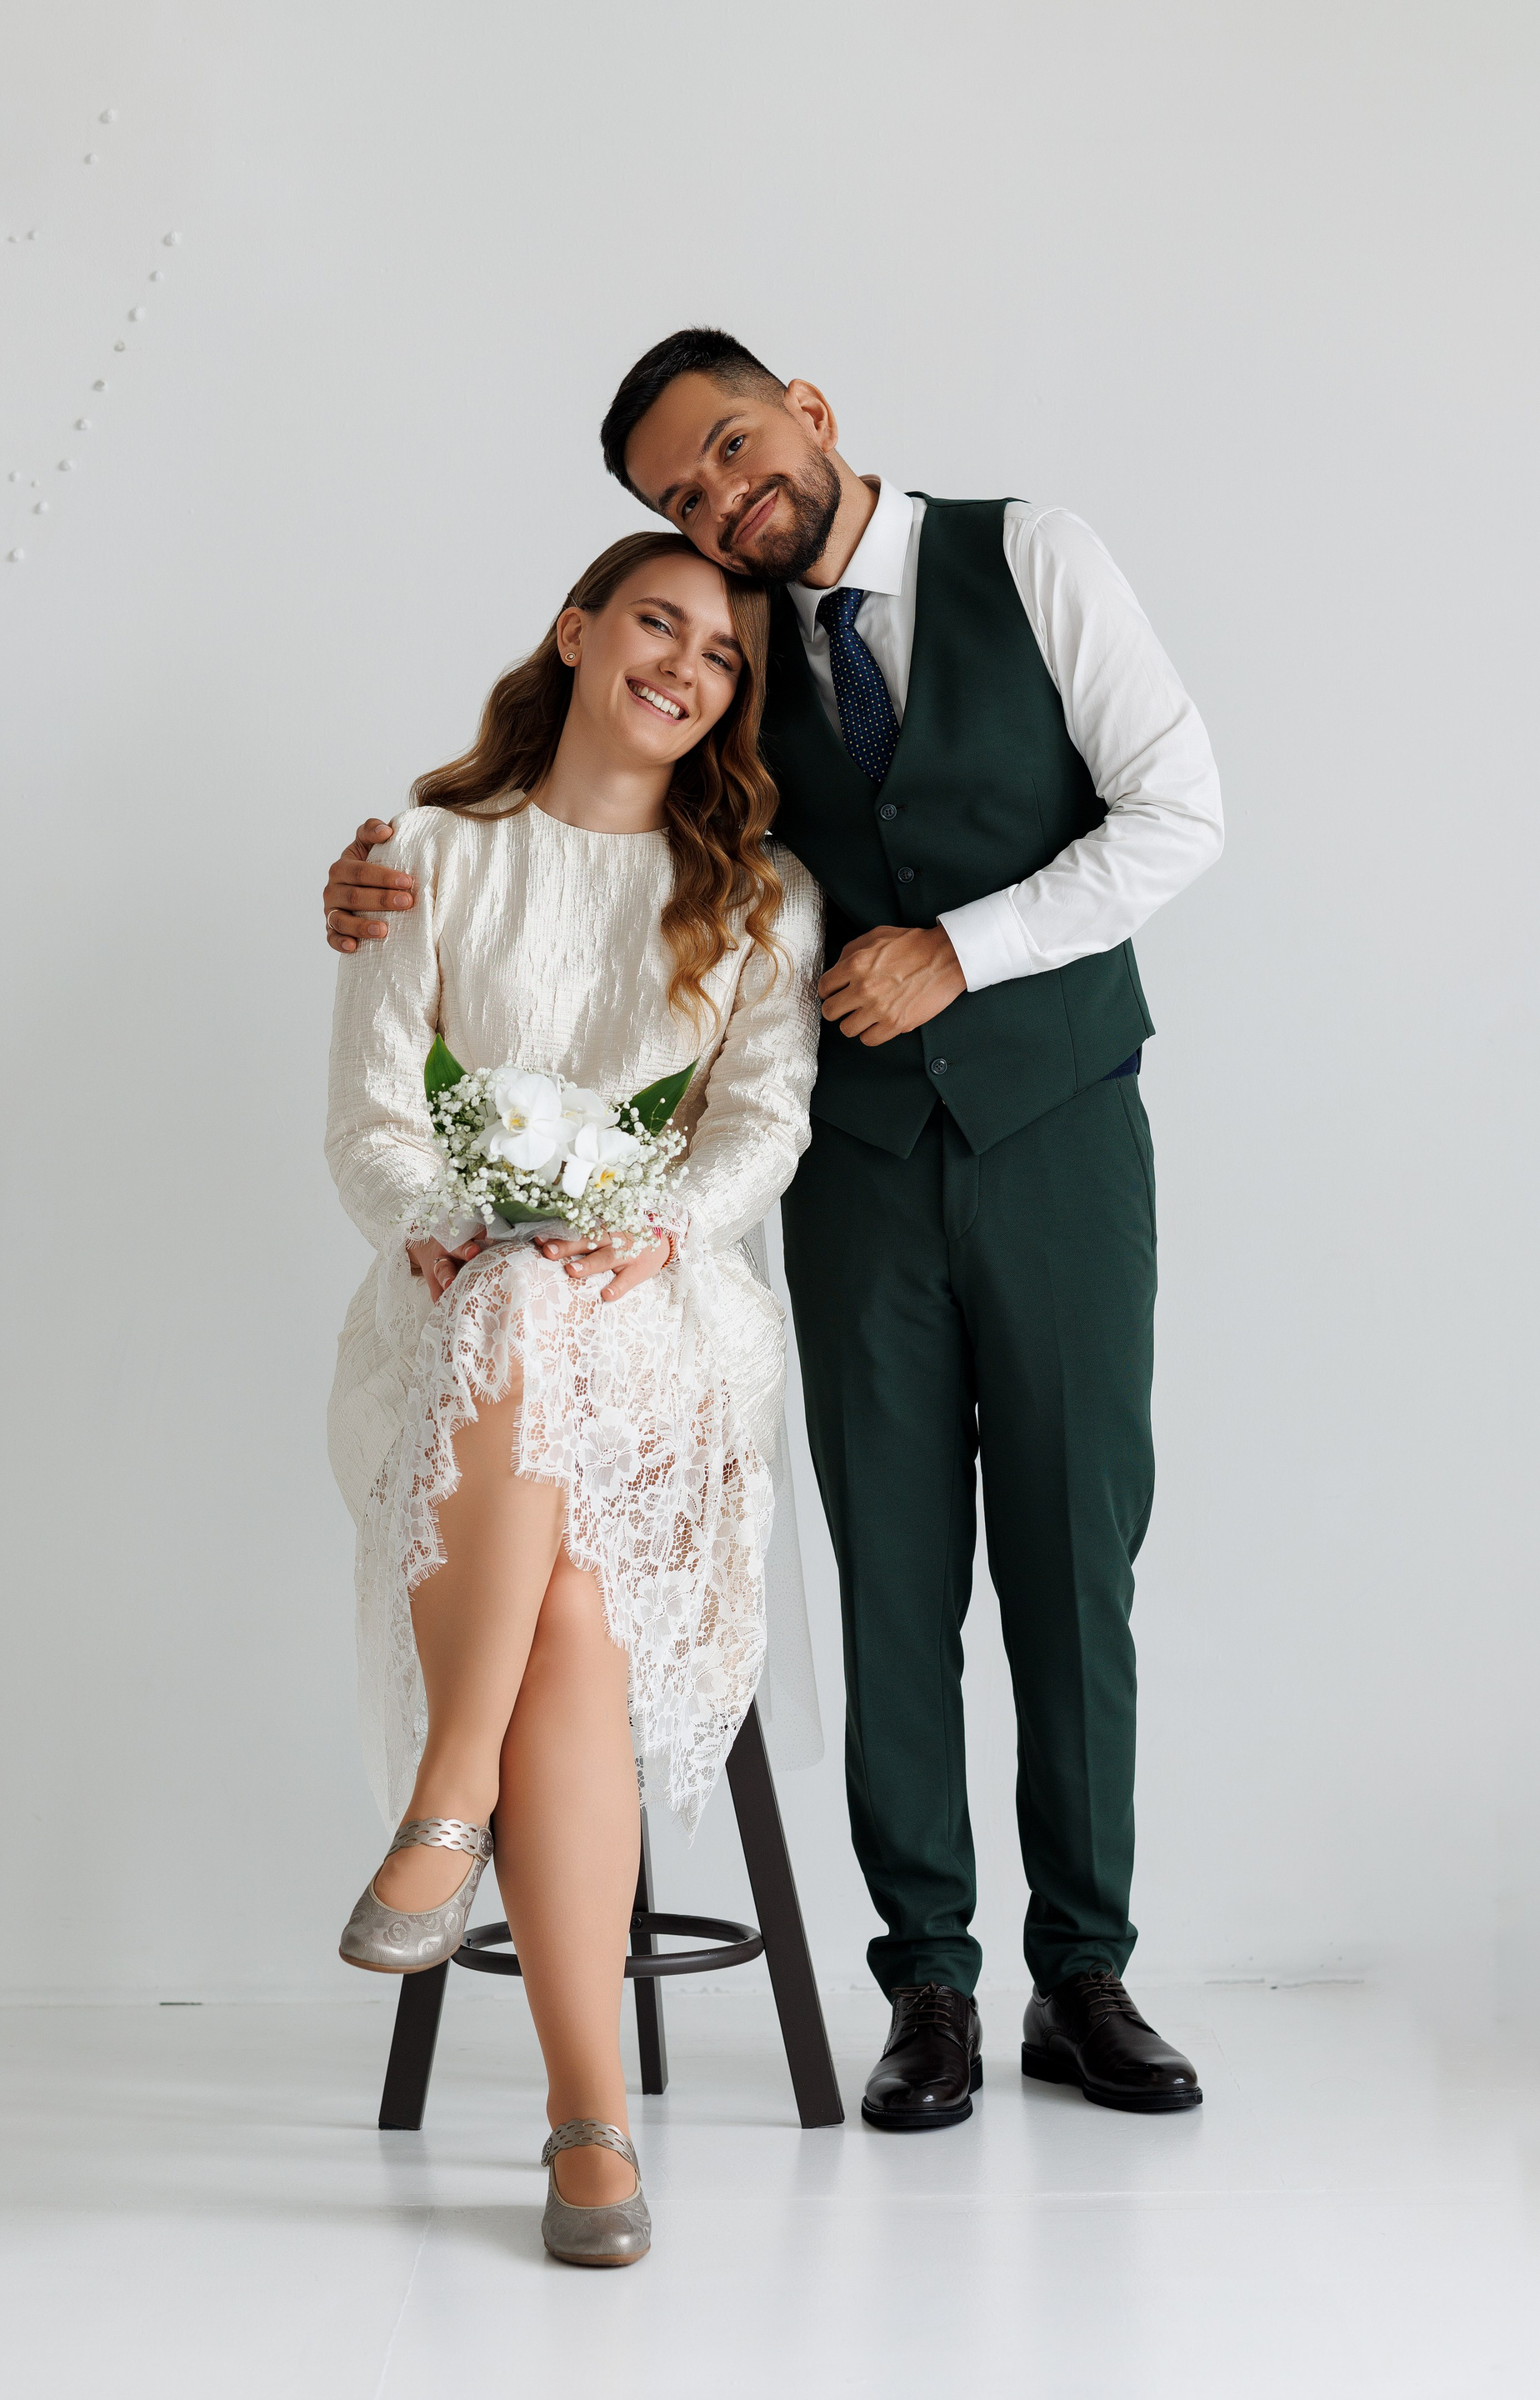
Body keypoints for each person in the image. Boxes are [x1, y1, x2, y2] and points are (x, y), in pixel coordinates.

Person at [324, 328, 1223, 2134]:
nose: (726, 502)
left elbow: (1177, 814)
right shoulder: (727, 662)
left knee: (1073, 1550)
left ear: (806, 411)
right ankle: (928, 1985)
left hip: (1055, 1124)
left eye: (733, 451)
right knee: (894, 1563)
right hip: (856, 1165)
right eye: (684, 497)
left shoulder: (1034, 554)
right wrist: (375, 882)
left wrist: (964, 951)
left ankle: (1084, 1972)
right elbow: (577, 842)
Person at [325, 528, 821, 2262]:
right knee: (573, 1607)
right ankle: (586, 2123)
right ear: (576, 631)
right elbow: (373, 1124)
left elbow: (763, 1124)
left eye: (723, 655)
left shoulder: (757, 892)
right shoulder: (425, 860)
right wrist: (442, 1226)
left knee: (559, 1313)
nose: (685, 666)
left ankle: (446, 1803)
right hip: (454, 1312)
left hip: (670, 1313)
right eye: (656, 624)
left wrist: (652, 1231)